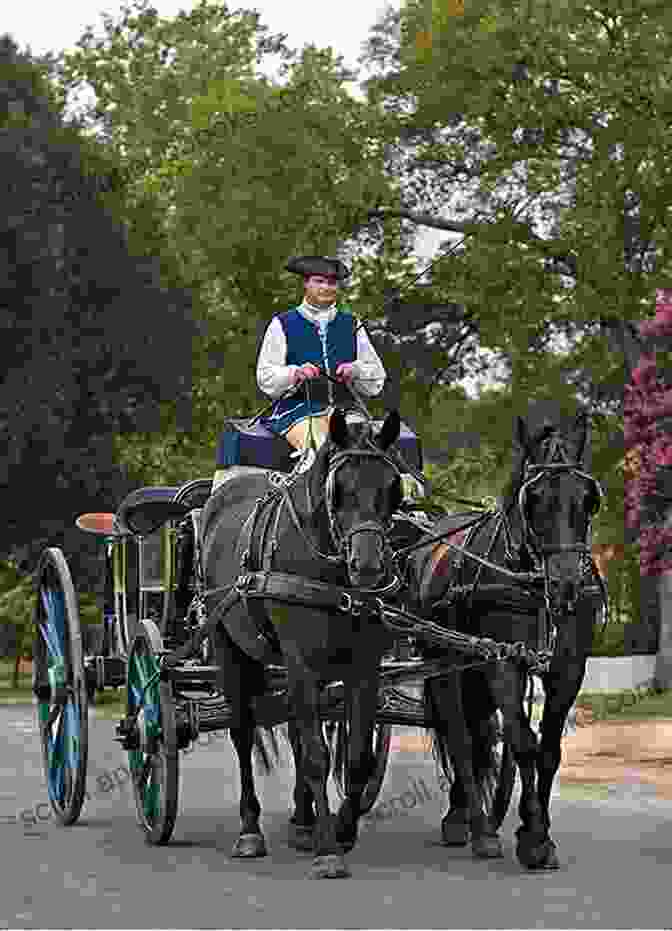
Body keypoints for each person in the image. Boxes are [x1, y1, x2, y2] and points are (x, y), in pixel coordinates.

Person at [255, 255, 387, 456]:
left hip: (346, 412)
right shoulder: (282, 323)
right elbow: (265, 375)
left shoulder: (351, 323)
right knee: (317, 449)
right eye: (319, 282)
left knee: (366, 451)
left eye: (332, 283)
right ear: (306, 284)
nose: (326, 287)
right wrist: (296, 373)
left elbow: (376, 376)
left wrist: (356, 370)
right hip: (297, 412)